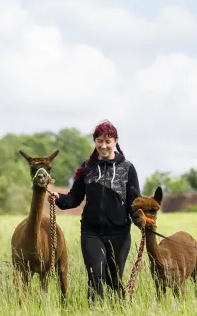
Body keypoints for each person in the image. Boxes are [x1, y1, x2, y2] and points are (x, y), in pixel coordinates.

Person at [46, 120, 140, 304]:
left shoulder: (127, 168)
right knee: (95, 276)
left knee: (114, 281)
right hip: (92, 232)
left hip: (119, 234)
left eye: (108, 141)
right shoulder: (87, 167)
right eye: (99, 141)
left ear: (115, 141)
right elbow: (74, 198)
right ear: (94, 141)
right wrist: (59, 198)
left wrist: (141, 220)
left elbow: (133, 202)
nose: (103, 146)